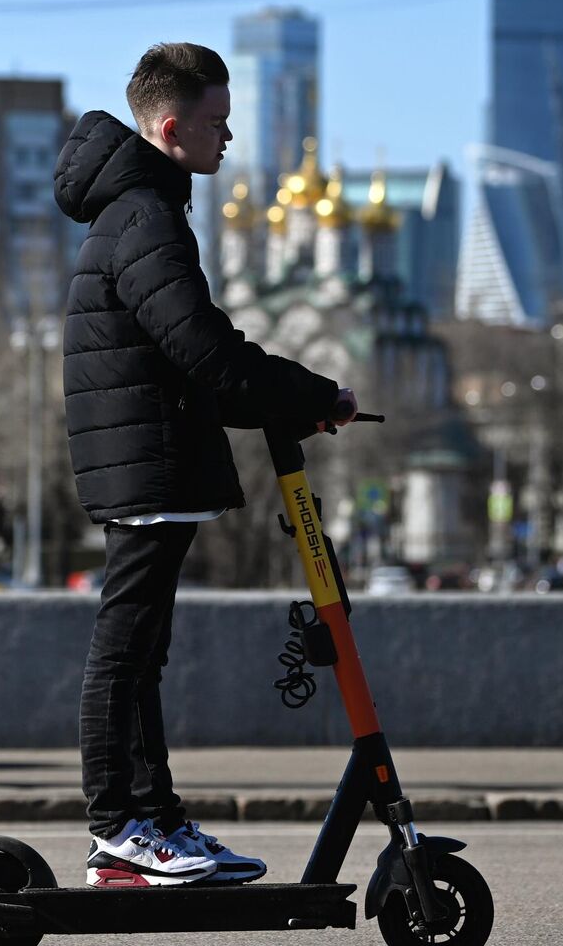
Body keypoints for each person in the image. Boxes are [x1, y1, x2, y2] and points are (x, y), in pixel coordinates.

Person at [53, 43, 355, 888]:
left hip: (150, 453)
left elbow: (193, 364)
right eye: (219, 122)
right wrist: (309, 391)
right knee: (126, 649)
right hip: (146, 461)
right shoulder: (145, 217)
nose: (230, 138)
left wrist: (298, 404)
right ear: (174, 125)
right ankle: (120, 825)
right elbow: (207, 352)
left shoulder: (140, 209)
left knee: (141, 652)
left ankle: (155, 822)